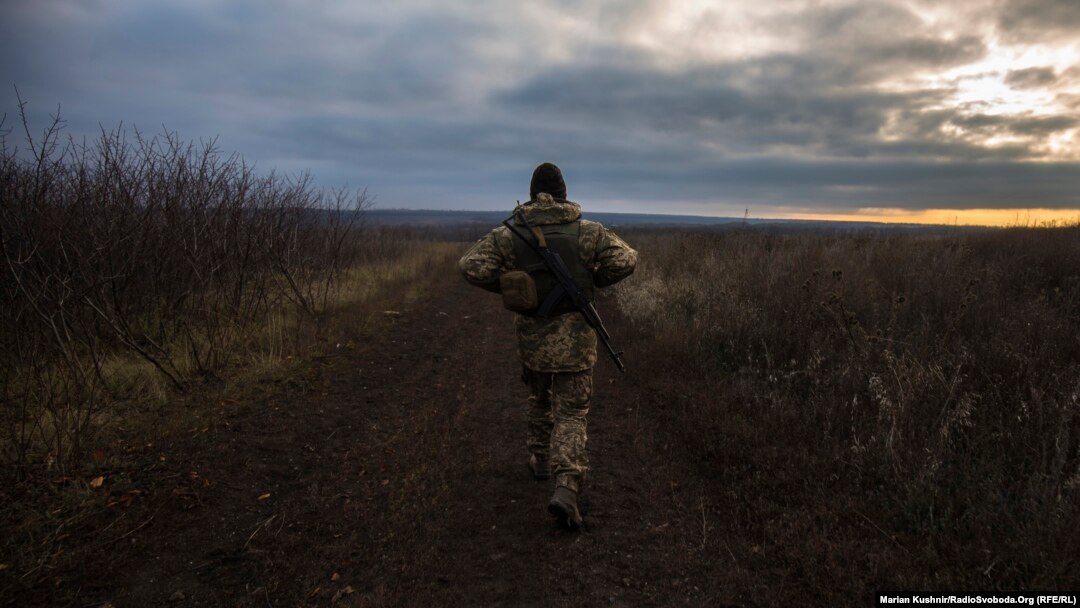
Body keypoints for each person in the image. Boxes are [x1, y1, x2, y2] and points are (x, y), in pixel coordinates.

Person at [458, 162, 638, 529]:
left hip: (532, 341)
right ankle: (567, 486)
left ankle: (539, 459)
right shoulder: (588, 231)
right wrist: (593, 281)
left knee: (539, 400)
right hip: (576, 343)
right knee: (571, 414)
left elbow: (470, 266)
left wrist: (514, 285)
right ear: (564, 193)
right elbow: (627, 259)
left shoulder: (510, 234)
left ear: (531, 193)